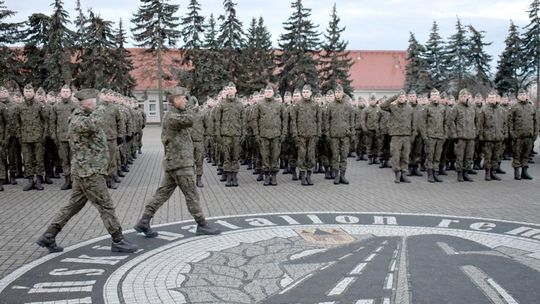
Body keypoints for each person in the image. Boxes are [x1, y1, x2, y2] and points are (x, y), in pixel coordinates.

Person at [36, 89, 138, 254]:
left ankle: (49, 235)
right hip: (89, 172)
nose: (98, 103)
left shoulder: (87, 116)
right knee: (106, 205)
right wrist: (103, 108)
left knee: (73, 206)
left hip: (87, 171)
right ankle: (118, 240)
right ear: (89, 103)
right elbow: (95, 123)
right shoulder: (79, 120)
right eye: (95, 101)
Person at [133, 87, 221, 238]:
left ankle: (144, 221)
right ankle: (202, 224)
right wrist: (191, 106)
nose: (185, 101)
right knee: (192, 194)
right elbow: (191, 120)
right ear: (175, 100)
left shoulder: (175, 114)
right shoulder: (172, 116)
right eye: (183, 98)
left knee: (162, 193)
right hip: (180, 163)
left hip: (175, 162)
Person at [253, 84, 287, 186]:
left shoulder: (279, 105)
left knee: (275, 156)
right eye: (266, 92)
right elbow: (254, 120)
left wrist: (283, 132)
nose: (268, 93)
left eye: (270, 91)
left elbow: (284, 119)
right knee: (265, 156)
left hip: (276, 134)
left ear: (273, 92)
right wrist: (256, 134)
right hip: (263, 135)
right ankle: (266, 176)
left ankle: (274, 176)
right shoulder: (259, 105)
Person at [379, 91, 415, 183]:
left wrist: (413, 135)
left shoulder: (410, 108)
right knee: (396, 155)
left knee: (405, 156)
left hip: (406, 135)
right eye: (400, 97)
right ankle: (397, 174)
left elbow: (413, 123)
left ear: (406, 98)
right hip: (396, 135)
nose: (401, 98)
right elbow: (382, 106)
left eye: (403, 97)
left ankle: (404, 173)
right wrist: (394, 97)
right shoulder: (392, 107)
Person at [290, 85, 321, 186]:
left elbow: (319, 121)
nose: (305, 93)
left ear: (311, 93)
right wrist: (295, 134)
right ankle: (303, 176)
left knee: (311, 156)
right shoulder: (298, 105)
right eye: (304, 92)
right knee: (302, 155)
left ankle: (309, 176)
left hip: (312, 134)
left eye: (307, 92)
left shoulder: (315, 105)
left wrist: (318, 133)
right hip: (301, 135)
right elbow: (293, 121)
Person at [17, 84, 46, 191]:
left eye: (30, 91)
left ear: (33, 93)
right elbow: (17, 123)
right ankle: (30, 180)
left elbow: (45, 121)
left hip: (38, 137)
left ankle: (38, 180)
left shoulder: (39, 105)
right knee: (27, 160)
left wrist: (43, 135)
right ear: (23, 93)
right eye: (26, 91)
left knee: (39, 159)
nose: (28, 93)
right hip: (25, 138)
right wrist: (19, 135)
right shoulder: (19, 106)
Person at [215, 83, 244, 187]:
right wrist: (218, 134)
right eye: (229, 89)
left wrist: (243, 133)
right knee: (227, 156)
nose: (230, 91)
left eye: (232, 89)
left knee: (235, 156)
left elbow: (243, 120)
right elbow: (217, 121)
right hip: (225, 134)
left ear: (235, 90)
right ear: (226, 91)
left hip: (236, 134)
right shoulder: (222, 104)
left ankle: (234, 177)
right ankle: (228, 177)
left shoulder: (240, 104)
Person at [327, 85, 355, 184]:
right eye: (336, 92)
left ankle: (343, 175)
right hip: (334, 135)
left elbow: (352, 120)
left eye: (339, 92)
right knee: (335, 156)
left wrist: (352, 133)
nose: (338, 94)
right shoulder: (330, 105)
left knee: (344, 156)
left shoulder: (348, 105)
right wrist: (327, 133)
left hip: (345, 135)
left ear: (342, 93)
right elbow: (327, 121)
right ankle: (336, 176)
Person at [448, 89, 477, 182]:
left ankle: (466, 173)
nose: (463, 98)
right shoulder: (456, 108)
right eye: (461, 96)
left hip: (470, 136)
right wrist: (454, 134)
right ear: (459, 97)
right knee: (460, 156)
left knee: (469, 156)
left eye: (465, 96)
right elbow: (451, 121)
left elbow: (476, 121)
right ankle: (460, 173)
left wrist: (475, 131)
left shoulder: (472, 107)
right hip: (460, 136)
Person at [477, 90, 506, 181]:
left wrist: (504, 134)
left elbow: (505, 123)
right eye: (490, 98)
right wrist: (481, 136)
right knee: (488, 157)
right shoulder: (484, 109)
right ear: (488, 99)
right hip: (488, 138)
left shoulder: (501, 110)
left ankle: (493, 172)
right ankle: (487, 173)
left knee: (496, 156)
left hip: (498, 137)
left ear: (496, 98)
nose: (492, 99)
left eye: (493, 98)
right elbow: (480, 124)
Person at [508, 89, 537, 180]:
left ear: (526, 96)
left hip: (529, 135)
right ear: (517, 97)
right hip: (518, 136)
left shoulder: (531, 107)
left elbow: (536, 121)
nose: (522, 96)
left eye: (524, 94)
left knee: (526, 154)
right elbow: (510, 121)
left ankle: (524, 172)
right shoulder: (515, 107)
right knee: (517, 154)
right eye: (520, 95)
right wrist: (512, 133)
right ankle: (516, 172)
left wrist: (535, 133)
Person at [421, 89, 446, 183]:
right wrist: (425, 136)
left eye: (436, 95)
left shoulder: (442, 108)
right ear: (430, 97)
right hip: (430, 136)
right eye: (433, 95)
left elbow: (445, 122)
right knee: (430, 156)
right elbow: (422, 123)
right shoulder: (427, 108)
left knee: (437, 156)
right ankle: (430, 174)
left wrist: (444, 135)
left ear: (439, 96)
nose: (435, 96)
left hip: (440, 136)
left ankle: (436, 173)